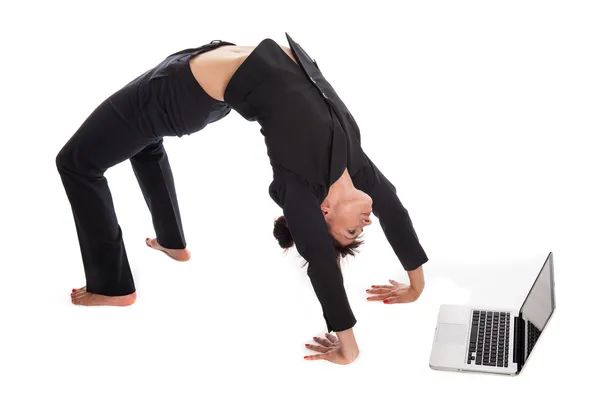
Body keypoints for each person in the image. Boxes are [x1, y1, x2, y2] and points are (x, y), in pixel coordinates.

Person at [56, 33, 429, 365]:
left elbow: (321, 262)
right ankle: (173, 243)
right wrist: (415, 286)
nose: (365, 223)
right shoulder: (354, 167)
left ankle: (111, 286)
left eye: (349, 230)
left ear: (323, 212)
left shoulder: (297, 187)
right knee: (145, 141)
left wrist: (349, 348)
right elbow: (393, 208)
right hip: (203, 70)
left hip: (177, 90)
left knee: (76, 163)